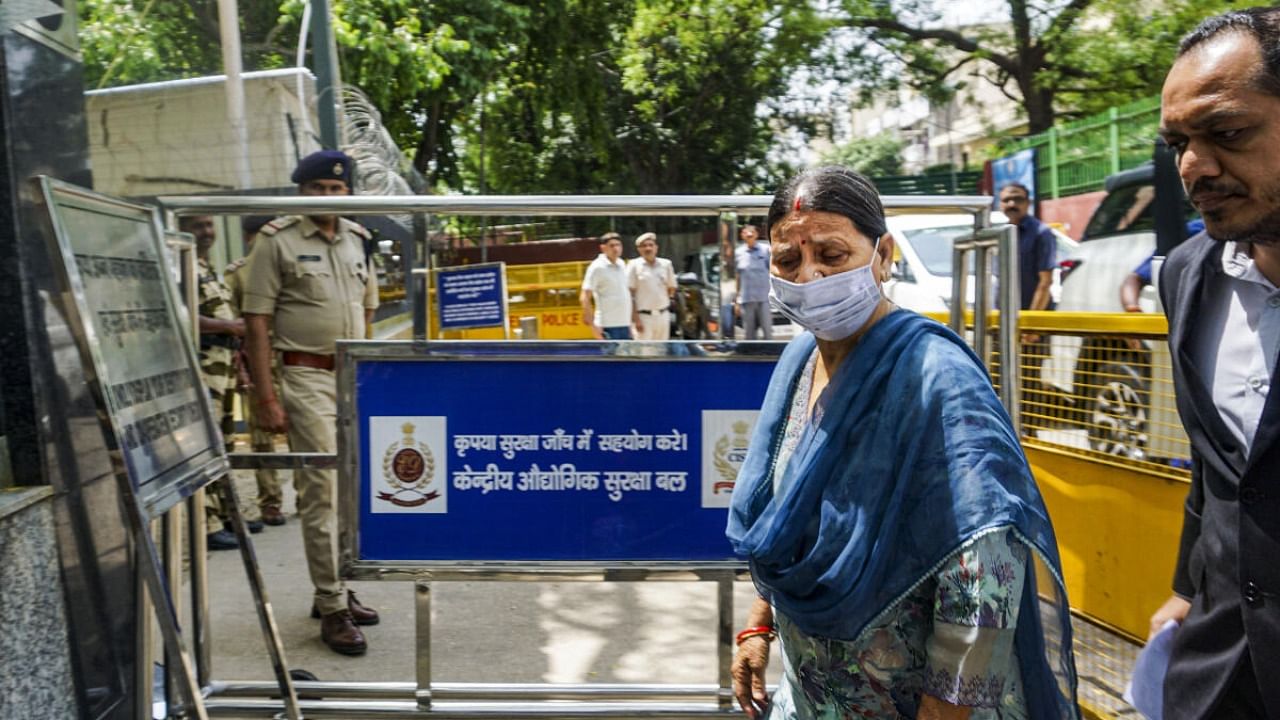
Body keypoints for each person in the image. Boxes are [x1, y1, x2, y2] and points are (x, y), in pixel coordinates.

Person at [725, 166, 1077, 720]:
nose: (810, 277)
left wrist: (941, 713)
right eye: (789, 261)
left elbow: (984, 570)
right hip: (813, 697)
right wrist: (759, 622)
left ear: (883, 253)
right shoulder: (798, 363)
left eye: (832, 255)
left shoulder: (938, 378)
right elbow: (785, 517)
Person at [1149, 8, 1280, 718]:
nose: (1193, 167)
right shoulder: (1184, 276)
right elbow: (1219, 470)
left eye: (1227, 133)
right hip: (1218, 672)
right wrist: (1185, 589)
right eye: (1178, 143)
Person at [242, 150, 381, 656]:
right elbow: (256, 321)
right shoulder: (276, 241)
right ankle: (332, 607)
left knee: (352, 489)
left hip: (353, 378)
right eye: (318, 188)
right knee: (321, 489)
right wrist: (266, 396)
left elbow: (369, 312)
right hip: (305, 375)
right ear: (301, 192)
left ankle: (339, 586)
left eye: (337, 189)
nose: (328, 196)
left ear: (348, 194)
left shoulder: (359, 240)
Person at [184, 214, 262, 550]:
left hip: (224, 365)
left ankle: (229, 514)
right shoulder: (179, 266)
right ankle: (208, 524)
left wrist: (240, 364)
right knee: (207, 444)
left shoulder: (206, 266)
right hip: (202, 365)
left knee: (226, 443)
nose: (206, 232)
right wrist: (229, 328)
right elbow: (181, 314)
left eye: (209, 225)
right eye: (197, 226)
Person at [225, 215, 285, 526]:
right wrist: (243, 371)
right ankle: (270, 501)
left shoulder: (288, 263)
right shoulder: (237, 274)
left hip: (292, 359)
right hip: (256, 360)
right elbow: (234, 325)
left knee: (304, 430)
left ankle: (308, 494)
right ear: (250, 238)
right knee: (262, 436)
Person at [998, 183, 1057, 312]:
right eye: (1006, 200)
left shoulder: (1041, 233)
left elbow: (1045, 282)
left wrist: (1031, 327)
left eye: (1018, 199)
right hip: (1005, 316)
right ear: (1000, 204)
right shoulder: (1000, 233)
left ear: (1028, 203)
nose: (1012, 204)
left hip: (1033, 318)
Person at [580, 232, 633, 339]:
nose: (615, 249)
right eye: (612, 245)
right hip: (607, 326)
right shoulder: (597, 267)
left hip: (625, 324)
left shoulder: (622, 264)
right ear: (603, 248)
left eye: (618, 245)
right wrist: (594, 327)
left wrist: (630, 325)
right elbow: (585, 297)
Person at [626, 232, 677, 341]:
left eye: (650, 245)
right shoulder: (633, 265)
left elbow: (671, 288)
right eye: (644, 246)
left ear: (656, 247)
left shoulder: (666, 264)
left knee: (661, 352)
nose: (648, 248)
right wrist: (636, 319)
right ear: (639, 249)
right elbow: (630, 295)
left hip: (663, 316)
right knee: (644, 354)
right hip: (643, 317)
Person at [734, 224, 772, 339]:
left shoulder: (766, 250)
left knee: (767, 330)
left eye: (752, 232)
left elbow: (773, 272)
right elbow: (737, 277)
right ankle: (750, 354)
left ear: (756, 234)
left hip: (764, 298)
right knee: (749, 332)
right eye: (746, 233)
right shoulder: (738, 253)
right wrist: (736, 299)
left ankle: (770, 355)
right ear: (742, 235)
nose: (749, 235)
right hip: (747, 298)